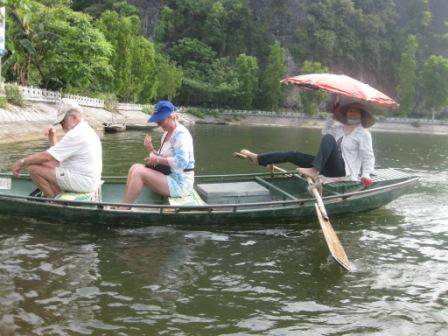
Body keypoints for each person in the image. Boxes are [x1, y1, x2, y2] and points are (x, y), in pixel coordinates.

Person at [240, 102, 375, 187]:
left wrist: (366, 174)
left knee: (329, 138)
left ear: (361, 115)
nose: (352, 114)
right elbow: (325, 132)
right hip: (327, 166)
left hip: (343, 171)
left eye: (356, 112)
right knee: (292, 155)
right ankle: (259, 158)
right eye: (350, 111)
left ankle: (314, 171)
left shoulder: (363, 133)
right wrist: (332, 116)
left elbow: (368, 157)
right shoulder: (340, 128)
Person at [12, 98, 103, 197]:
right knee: (46, 164)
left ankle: (55, 199)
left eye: (63, 121)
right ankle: (55, 193)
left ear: (74, 117)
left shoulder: (76, 134)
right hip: (86, 180)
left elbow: (47, 157)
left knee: (33, 168)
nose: (61, 125)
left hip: (84, 181)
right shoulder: (84, 129)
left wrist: (21, 162)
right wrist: (52, 136)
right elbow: (58, 158)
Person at [121, 100, 195, 205]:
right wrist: (151, 149)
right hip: (168, 175)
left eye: (160, 120)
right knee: (134, 167)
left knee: (138, 172)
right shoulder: (166, 133)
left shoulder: (180, 135)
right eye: (157, 121)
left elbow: (182, 162)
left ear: (172, 117)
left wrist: (156, 159)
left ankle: (124, 208)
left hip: (180, 183)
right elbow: (164, 158)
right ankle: (125, 202)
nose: (158, 123)